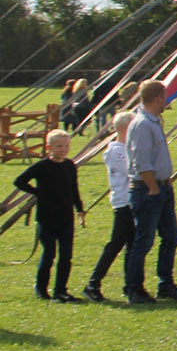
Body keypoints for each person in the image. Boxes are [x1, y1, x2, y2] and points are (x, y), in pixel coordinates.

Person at [124, 79, 177, 302]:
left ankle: (166, 284)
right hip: (148, 190)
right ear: (157, 98)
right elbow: (140, 161)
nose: (166, 101)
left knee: (171, 238)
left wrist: (165, 181)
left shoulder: (153, 122)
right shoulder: (142, 124)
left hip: (161, 187)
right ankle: (134, 288)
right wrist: (153, 187)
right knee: (143, 241)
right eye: (164, 96)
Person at [16, 130, 86, 301]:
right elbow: (19, 181)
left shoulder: (69, 165)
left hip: (66, 217)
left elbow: (73, 188)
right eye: (59, 146)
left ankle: (61, 290)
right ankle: (41, 288)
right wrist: (39, 193)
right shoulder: (42, 166)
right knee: (49, 254)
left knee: (66, 256)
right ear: (49, 147)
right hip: (47, 218)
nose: (63, 149)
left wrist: (79, 208)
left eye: (66, 146)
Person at [81, 111, 138, 302]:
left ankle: (131, 285)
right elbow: (132, 171)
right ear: (123, 129)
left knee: (132, 244)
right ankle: (93, 284)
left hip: (132, 202)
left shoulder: (127, 148)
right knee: (116, 244)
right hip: (123, 203)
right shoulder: (116, 151)